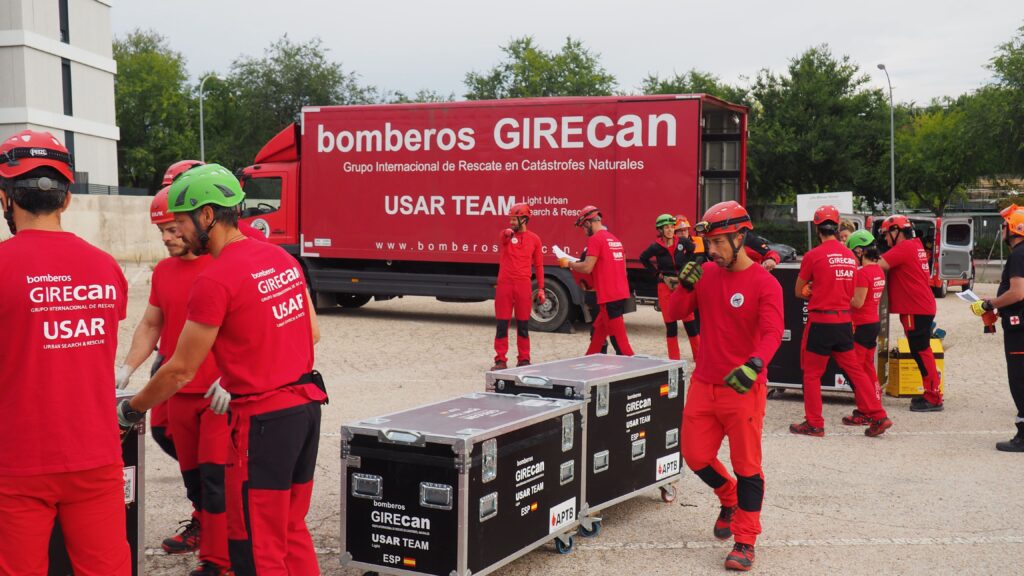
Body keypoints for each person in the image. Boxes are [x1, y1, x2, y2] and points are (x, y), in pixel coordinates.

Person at [115, 164, 326, 575]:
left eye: (180, 223)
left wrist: (132, 408)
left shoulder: (217, 278)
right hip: (306, 409)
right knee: (290, 528)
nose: (177, 234)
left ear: (207, 215)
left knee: (254, 543)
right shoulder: (280, 259)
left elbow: (179, 370)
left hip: (262, 420)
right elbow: (304, 333)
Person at [0, 130, 131, 575]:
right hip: (95, 454)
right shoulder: (106, 268)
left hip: (17, 460)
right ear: (67, 199)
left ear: (6, 198)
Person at [116, 186, 232, 574]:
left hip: (219, 394)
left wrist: (237, 376)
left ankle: (224, 554)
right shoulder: (164, 271)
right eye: (161, 231)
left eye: (173, 228)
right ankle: (206, 526)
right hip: (178, 389)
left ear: (196, 221)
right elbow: (151, 323)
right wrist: (127, 367)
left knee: (219, 476)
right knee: (192, 470)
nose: (166, 238)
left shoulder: (222, 265)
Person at [668, 200, 783, 572]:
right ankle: (727, 496)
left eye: (718, 243)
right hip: (704, 384)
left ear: (740, 237)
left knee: (747, 465)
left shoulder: (765, 282)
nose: (711, 251)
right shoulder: (706, 274)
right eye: (709, 244)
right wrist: (684, 285)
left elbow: (770, 333)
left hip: (744, 388)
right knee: (695, 455)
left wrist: (755, 364)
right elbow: (672, 313)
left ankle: (746, 540)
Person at [790, 206, 892, 437]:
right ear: (837, 228)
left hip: (820, 322)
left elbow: (798, 291)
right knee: (856, 371)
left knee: (812, 374)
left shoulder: (813, 255)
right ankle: (879, 416)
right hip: (844, 323)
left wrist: (814, 291)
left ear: (818, 230)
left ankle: (814, 423)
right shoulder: (849, 255)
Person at [971, 204, 1024, 452]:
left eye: (1004, 226)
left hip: (1019, 329)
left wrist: (989, 304)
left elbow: (1017, 292)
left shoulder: (1018, 255)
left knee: (1019, 380)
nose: (1001, 230)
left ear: (1014, 228)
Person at [878, 215, 943, 411]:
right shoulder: (915, 245)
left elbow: (878, 264)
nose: (886, 239)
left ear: (897, 231)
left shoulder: (904, 248)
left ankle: (933, 397)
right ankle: (930, 392)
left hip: (915, 307)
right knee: (921, 350)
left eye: (887, 234)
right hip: (919, 306)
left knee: (921, 351)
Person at [562, 205, 634, 356]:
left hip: (609, 297)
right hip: (619, 294)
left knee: (621, 344)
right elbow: (623, 270)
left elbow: (587, 267)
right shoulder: (614, 239)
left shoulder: (596, 239)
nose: (584, 230)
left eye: (583, 227)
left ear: (588, 222)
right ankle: (589, 360)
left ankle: (636, 375)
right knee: (598, 334)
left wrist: (568, 264)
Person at [492, 202, 545, 369]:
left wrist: (541, 288)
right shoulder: (506, 235)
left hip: (523, 285)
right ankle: (500, 359)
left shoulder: (535, 239)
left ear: (524, 219)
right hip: (505, 285)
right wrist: (508, 233)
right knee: (502, 324)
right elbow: (503, 238)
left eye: (515, 219)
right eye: (511, 219)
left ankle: (524, 359)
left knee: (523, 324)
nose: (511, 222)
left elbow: (539, 266)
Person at [847, 229, 887, 416]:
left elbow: (857, 302)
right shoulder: (878, 270)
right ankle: (875, 401)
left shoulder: (863, 273)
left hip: (862, 325)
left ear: (860, 251)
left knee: (856, 369)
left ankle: (866, 409)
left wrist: (841, 295)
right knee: (868, 367)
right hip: (873, 322)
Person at [639, 214, 689, 359]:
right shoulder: (656, 246)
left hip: (682, 285)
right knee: (671, 325)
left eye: (671, 227)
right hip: (664, 287)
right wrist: (656, 274)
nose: (669, 230)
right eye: (666, 227)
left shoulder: (683, 242)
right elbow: (643, 258)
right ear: (660, 230)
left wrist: (688, 265)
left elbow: (694, 252)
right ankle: (674, 360)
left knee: (690, 325)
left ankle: (699, 357)